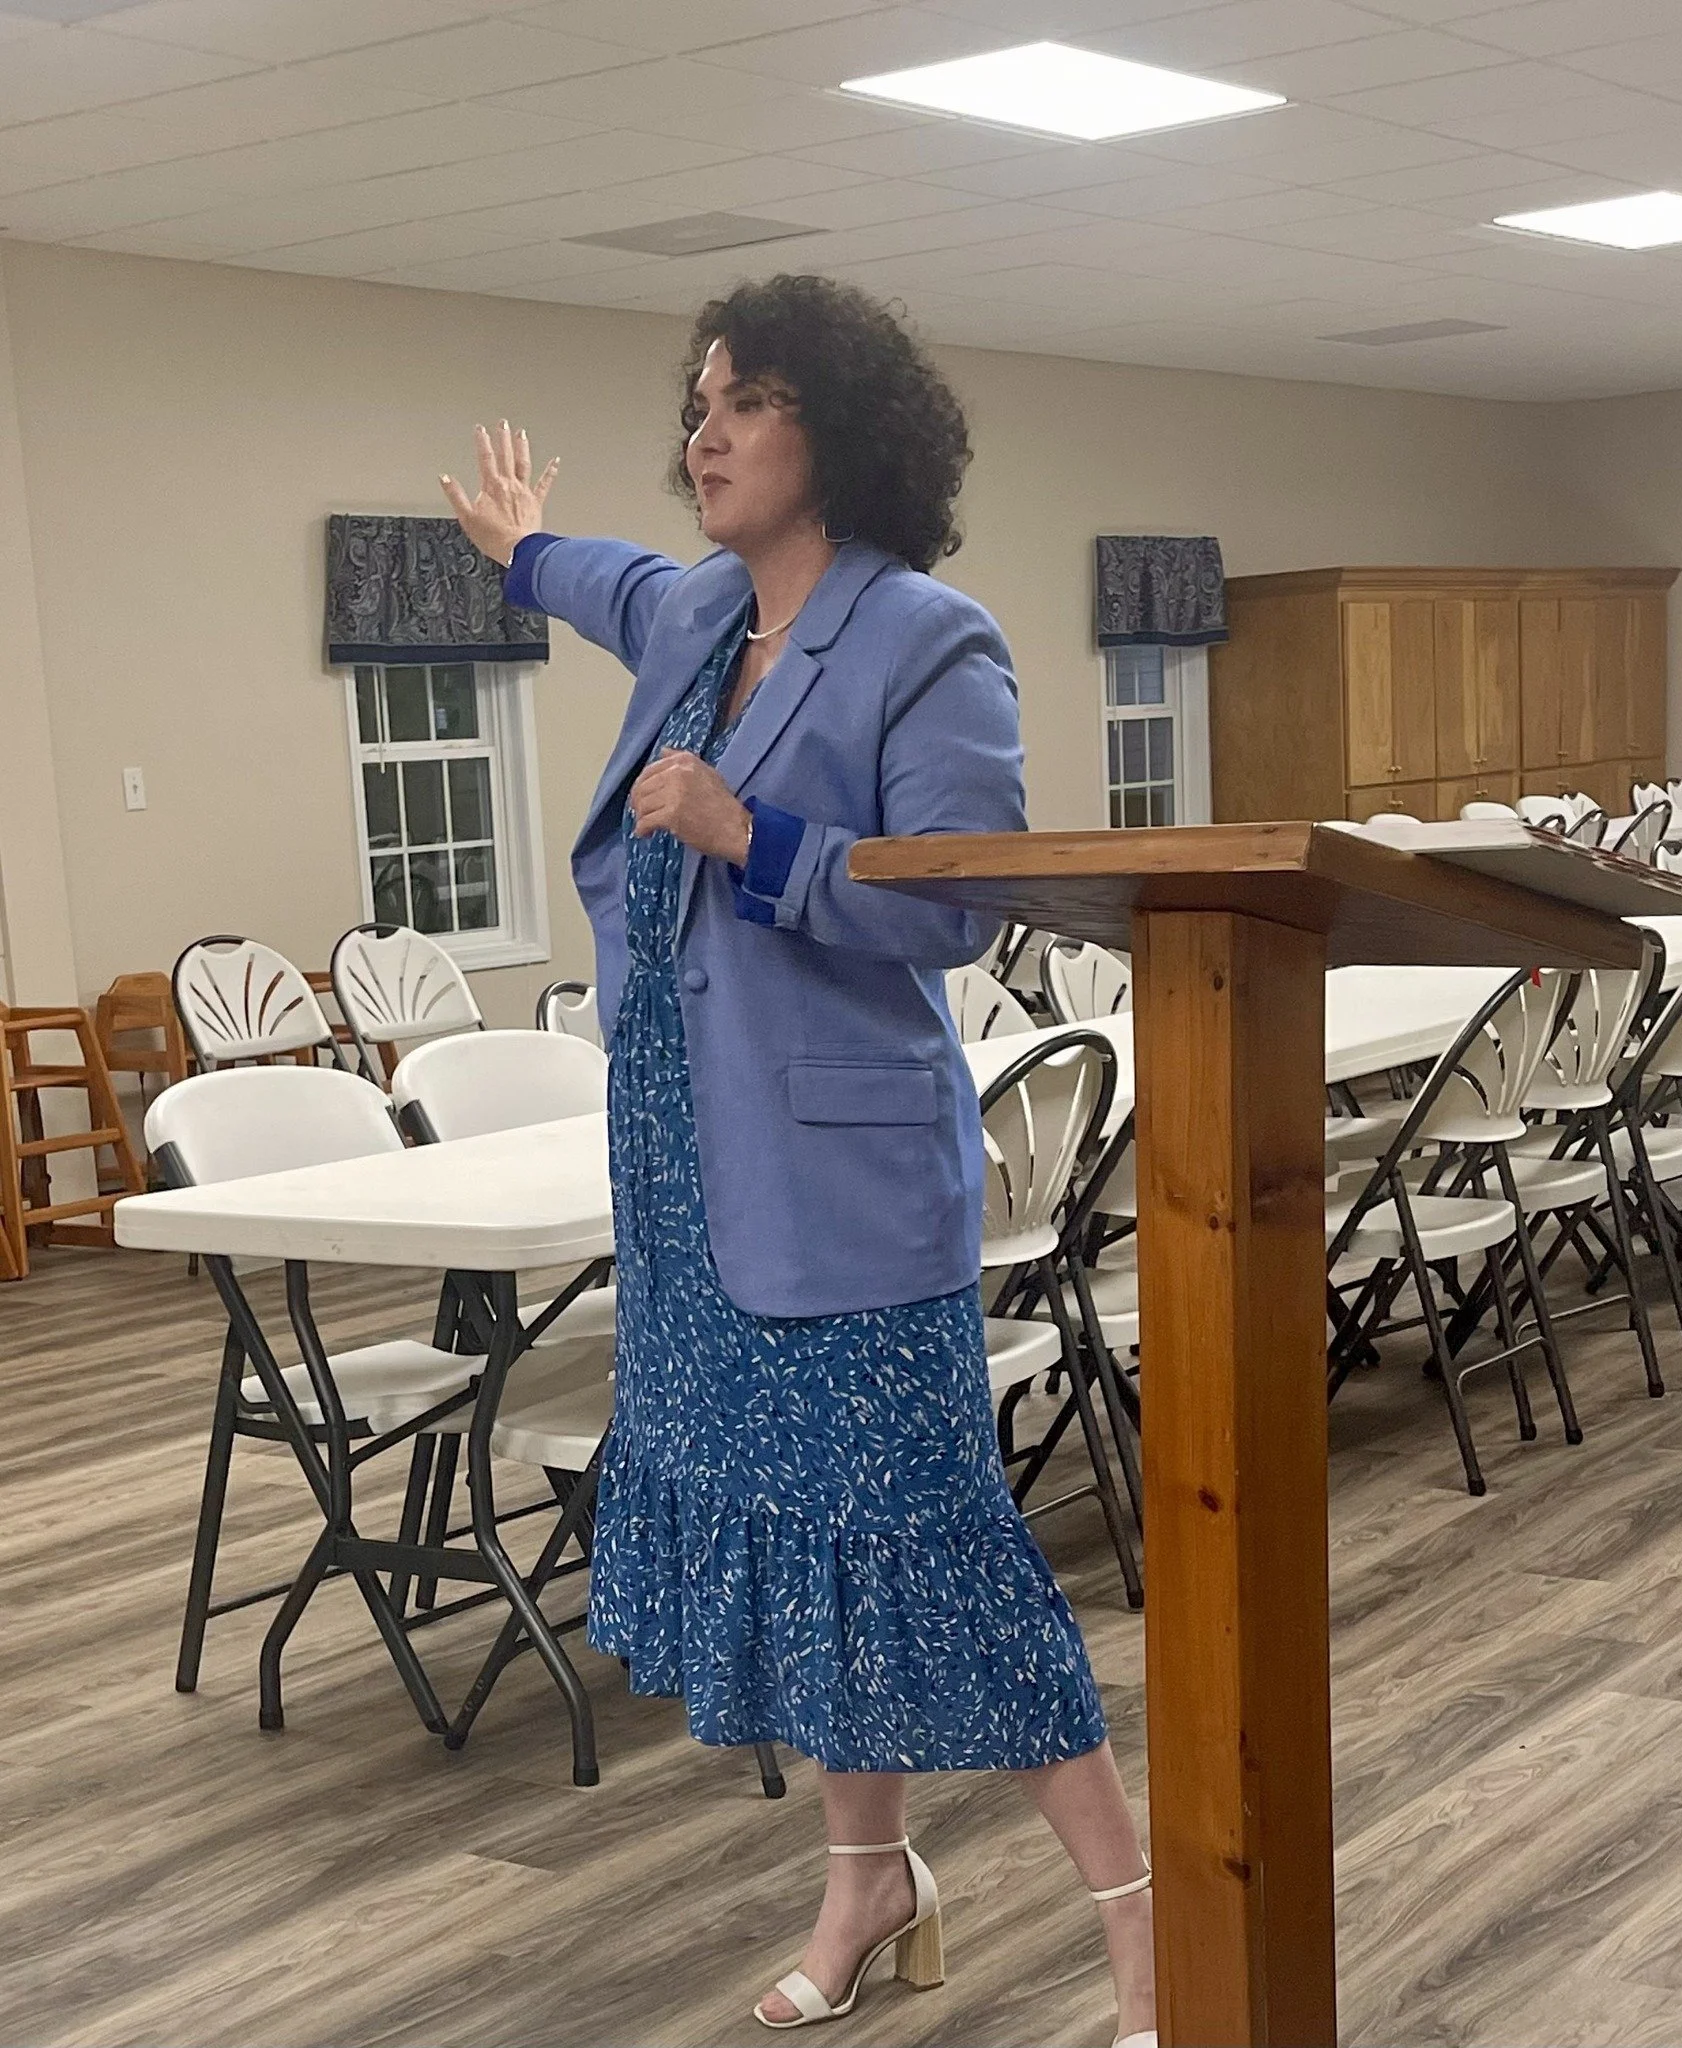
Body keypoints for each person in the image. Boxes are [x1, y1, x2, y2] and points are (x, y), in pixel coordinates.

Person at [441, 273, 1154, 2046]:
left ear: (830, 429)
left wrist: (753, 837)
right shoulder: (692, 610)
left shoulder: (928, 635)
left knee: (930, 1547)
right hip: (684, 1183)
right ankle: (867, 1882)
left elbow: (962, 904)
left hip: (838, 1189)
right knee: (807, 1551)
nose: (702, 434)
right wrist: (524, 551)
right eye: (694, 403)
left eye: (742, 401)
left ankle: (1146, 1927)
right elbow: (608, 580)